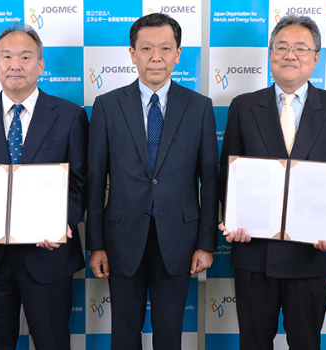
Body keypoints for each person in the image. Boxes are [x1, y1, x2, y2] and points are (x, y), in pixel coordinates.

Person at [218, 15, 326, 350]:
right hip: (255, 252)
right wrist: (234, 218)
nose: (290, 55)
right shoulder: (243, 107)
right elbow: (229, 175)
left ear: (315, 58)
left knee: (306, 343)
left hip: (313, 252)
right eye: (282, 47)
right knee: (253, 343)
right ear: (270, 54)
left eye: (301, 48)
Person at [0, 23, 88, 350]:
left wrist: (61, 225)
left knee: (53, 343)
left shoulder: (69, 116)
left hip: (48, 258)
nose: (15, 64)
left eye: (25, 57)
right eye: (6, 56)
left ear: (40, 65)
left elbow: (80, 184)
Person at [86, 13, 218, 350]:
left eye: (164, 48)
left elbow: (210, 179)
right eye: (146, 48)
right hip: (121, 238)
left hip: (179, 239)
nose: (155, 57)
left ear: (178, 53)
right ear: (132, 54)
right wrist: (96, 243)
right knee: (124, 333)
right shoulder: (107, 106)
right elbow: (96, 178)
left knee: (169, 333)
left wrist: (206, 243)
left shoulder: (200, 107)